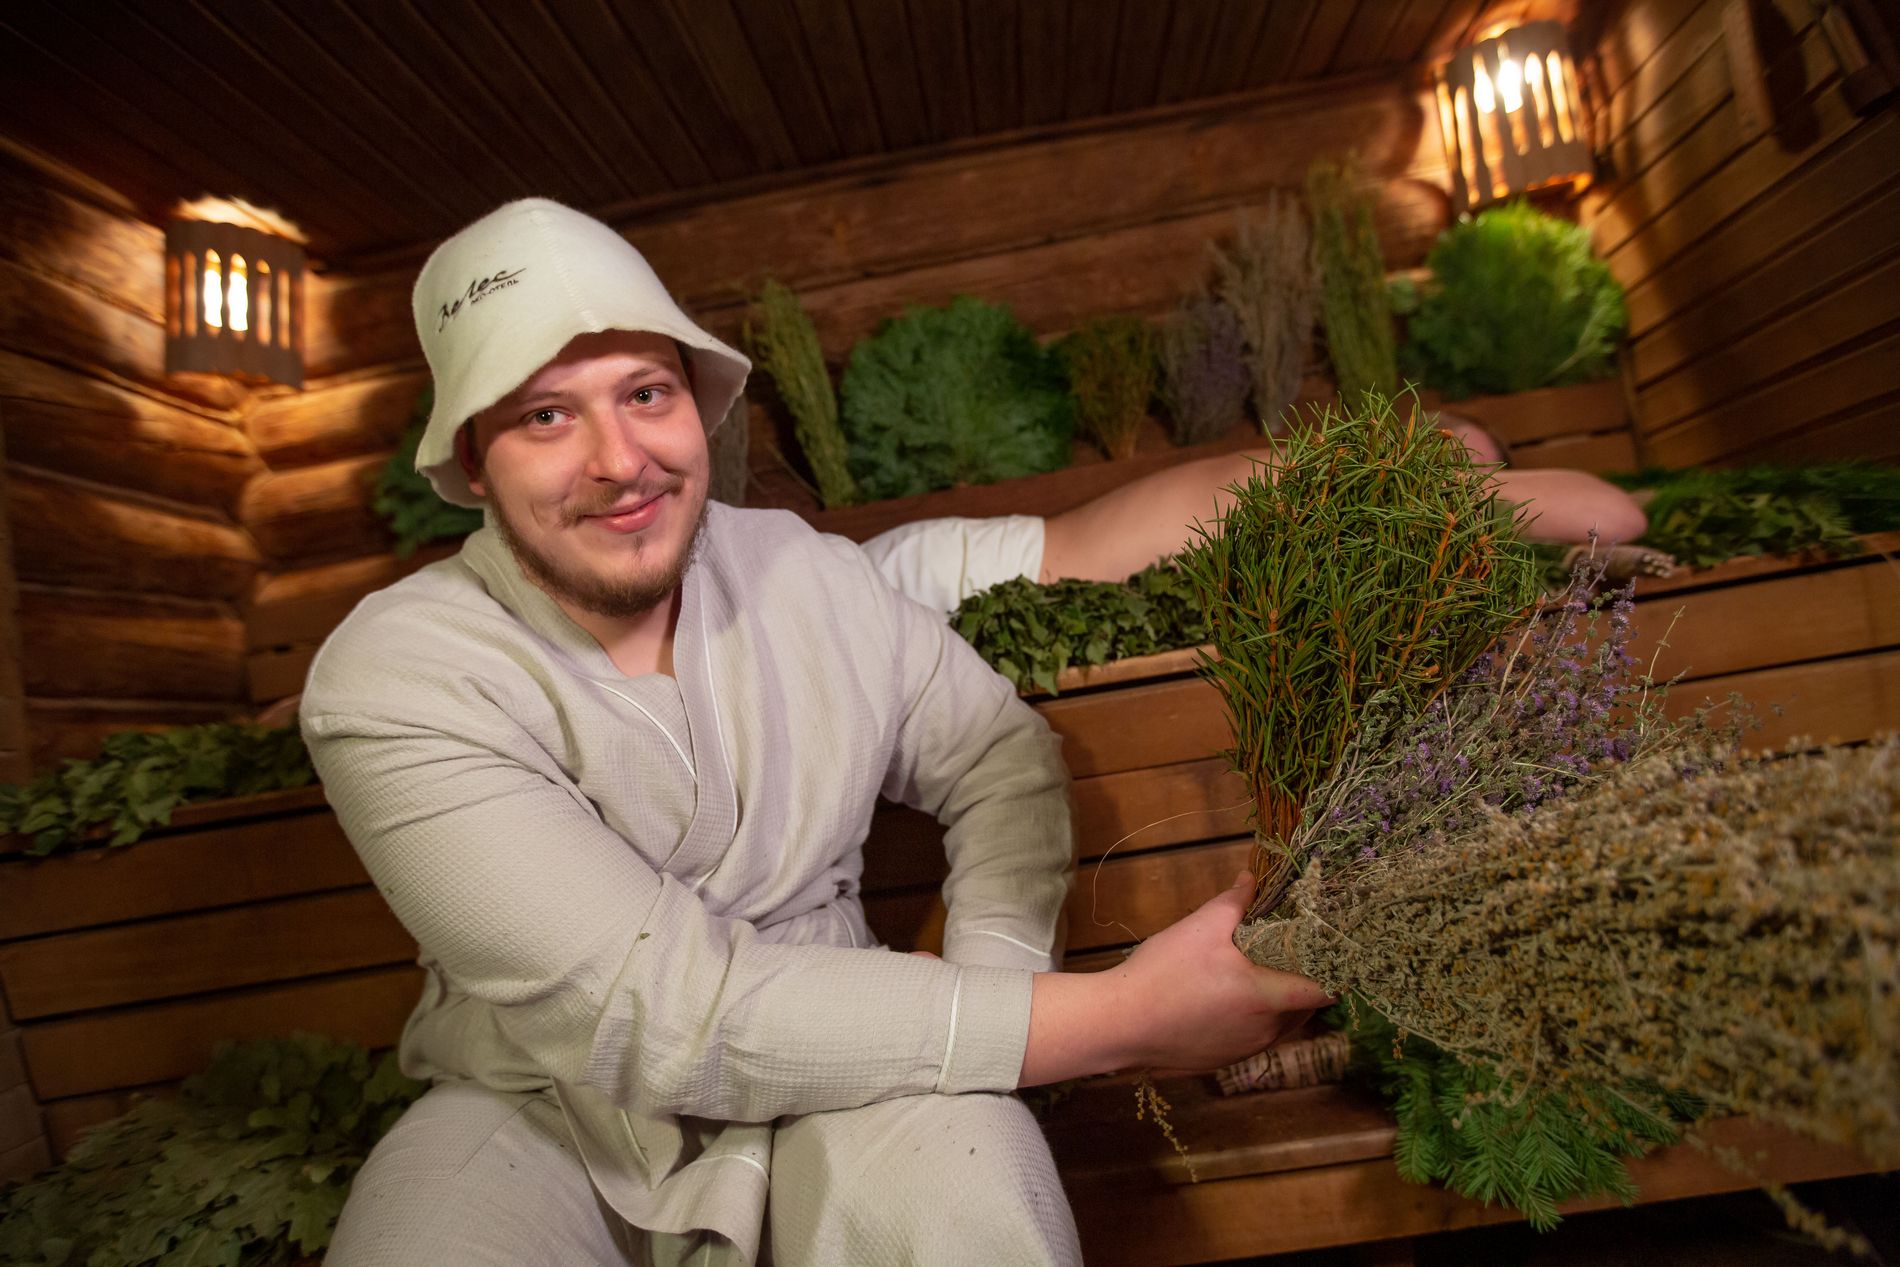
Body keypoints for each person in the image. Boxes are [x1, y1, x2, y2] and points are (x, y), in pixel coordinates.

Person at [301, 198, 1331, 1266]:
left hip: (860, 1063)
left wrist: (995, 982)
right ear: (473, 463)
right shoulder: (398, 675)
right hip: (537, 1105)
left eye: (646, 393)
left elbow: (999, 755)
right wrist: (1115, 1015)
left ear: (696, 403)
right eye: (546, 416)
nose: (620, 459)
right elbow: (665, 1016)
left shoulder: (811, 575)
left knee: (970, 1200)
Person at [860, 422, 1655, 615]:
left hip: (974, 608)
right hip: (952, 584)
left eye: (1471, 467)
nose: (1447, 464)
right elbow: (1611, 511)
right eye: (1439, 439)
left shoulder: (1353, 539)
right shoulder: (1320, 475)